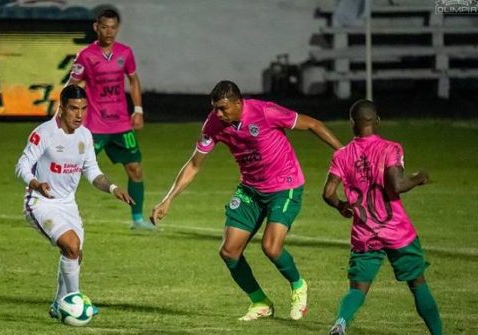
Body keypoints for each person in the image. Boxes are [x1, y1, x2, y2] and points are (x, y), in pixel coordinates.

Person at [151, 80, 343, 321]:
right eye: (215, 108)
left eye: (223, 108)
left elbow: (313, 124)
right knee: (229, 251)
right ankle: (260, 302)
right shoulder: (213, 124)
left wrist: (343, 151)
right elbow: (193, 165)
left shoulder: (265, 112)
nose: (218, 114)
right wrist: (168, 199)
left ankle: (298, 285)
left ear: (239, 102)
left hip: (285, 186)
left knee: (271, 247)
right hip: (251, 189)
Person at [322, 99, 442, 335]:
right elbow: (396, 186)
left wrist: (341, 206)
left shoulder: (342, 155)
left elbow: (327, 193)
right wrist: (419, 178)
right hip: (397, 230)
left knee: (358, 289)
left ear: (352, 123)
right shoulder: (391, 148)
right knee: (417, 283)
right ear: (377, 121)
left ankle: (341, 323)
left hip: (364, 231)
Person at [15, 85, 134, 318]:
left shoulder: (85, 136)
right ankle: (76, 302)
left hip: (68, 204)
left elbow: (92, 171)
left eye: (83, 109)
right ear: (61, 108)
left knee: (76, 253)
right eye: (73, 109)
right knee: (70, 244)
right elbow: (21, 165)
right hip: (40, 201)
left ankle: (59, 305)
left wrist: (112, 187)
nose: (79, 115)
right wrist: (36, 183)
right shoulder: (45, 132)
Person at [66, 8, 154, 230]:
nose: (109, 31)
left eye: (113, 27)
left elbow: (133, 80)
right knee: (73, 168)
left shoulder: (125, 52)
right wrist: (67, 112)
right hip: (94, 126)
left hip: (121, 124)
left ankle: (137, 220)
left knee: (135, 169)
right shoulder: (85, 56)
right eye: (104, 27)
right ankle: (60, 211)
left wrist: (138, 110)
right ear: (96, 27)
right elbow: (72, 85)